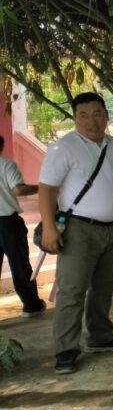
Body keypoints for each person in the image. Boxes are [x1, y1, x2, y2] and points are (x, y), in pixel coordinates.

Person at [38, 93, 113, 375]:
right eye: (84, 115)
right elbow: (47, 190)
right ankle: (66, 351)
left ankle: (100, 336)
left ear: (107, 114)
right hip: (79, 230)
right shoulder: (63, 148)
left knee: (105, 286)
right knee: (73, 290)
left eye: (98, 113)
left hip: (112, 229)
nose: (92, 121)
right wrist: (49, 227)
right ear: (75, 118)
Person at [0, 135, 47, 318]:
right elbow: (19, 189)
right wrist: (41, 187)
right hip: (7, 223)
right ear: (2, 146)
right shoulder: (6, 165)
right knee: (19, 264)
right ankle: (31, 305)